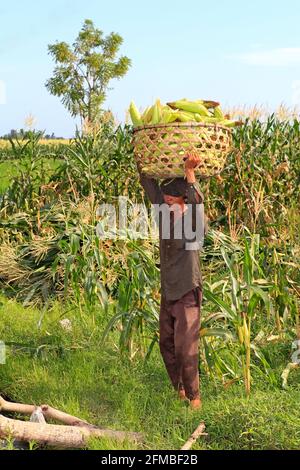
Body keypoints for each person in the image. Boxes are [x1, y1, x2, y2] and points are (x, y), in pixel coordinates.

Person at [137, 152, 206, 410]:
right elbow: (149, 186)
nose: (166, 200)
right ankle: (178, 389)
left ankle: (195, 398)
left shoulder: (194, 221)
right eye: (165, 198)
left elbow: (198, 201)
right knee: (166, 343)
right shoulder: (165, 214)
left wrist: (190, 174)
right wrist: (141, 160)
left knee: (186, 348)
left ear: (184, 200)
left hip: (187, 289)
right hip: (168, 290)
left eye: (172, 198)